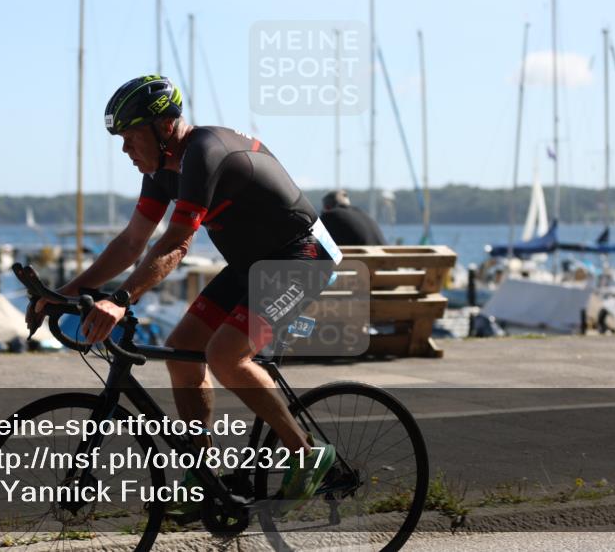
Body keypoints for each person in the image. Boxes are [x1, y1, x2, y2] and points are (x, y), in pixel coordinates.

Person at [33, 75, 339, 517]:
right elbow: (131, 243)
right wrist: (61, 295)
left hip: (301, 255)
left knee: (226, 355)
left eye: (131, 136)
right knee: (181, 354)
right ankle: (205, 477)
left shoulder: (204, 154)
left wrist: (120, 300)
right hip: (251, 264)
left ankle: (307, 454)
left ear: (163, 127)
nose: (125, 149)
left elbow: (177, 243)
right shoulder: (161, 171)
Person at [319, 189, 386, 246]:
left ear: (327, 207)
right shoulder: (365, 215)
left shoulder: (329, 215)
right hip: (385, 259)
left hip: (362, 260)